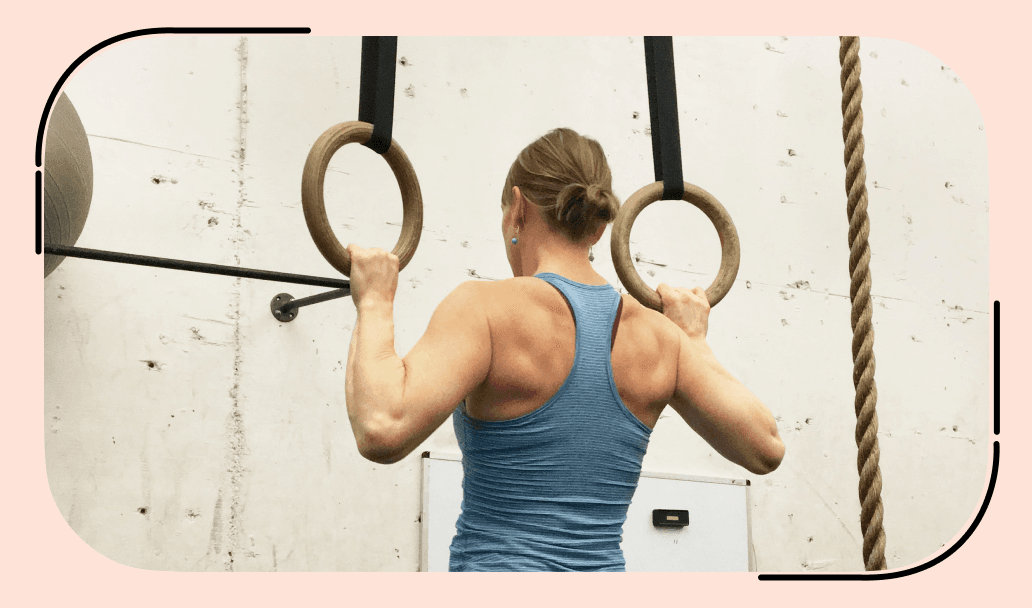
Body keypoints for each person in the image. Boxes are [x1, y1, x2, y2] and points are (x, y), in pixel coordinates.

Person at [344, 128, 785, 572]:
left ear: (517, 209)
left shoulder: (485, 310)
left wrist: (375, 301)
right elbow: (765, 448)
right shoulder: (660, 338)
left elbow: (381, 427)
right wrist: (694, 341)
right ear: (602, 223)